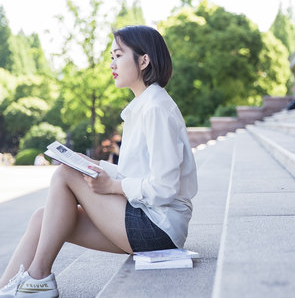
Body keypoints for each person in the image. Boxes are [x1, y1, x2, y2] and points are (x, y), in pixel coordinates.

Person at [0, 25, 198, 297]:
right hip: (143, 219)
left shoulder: (156, 108)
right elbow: (136, 173)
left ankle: (38, 277)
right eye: (111, 57)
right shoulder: (141, 107)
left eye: (118, 55)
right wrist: (95, 166)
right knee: (41, 218)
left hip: (158, 228)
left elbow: (164, 188)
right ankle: (4, 290)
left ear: (143, 60)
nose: (111, 63)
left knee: (64, 175)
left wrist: (112, 187)